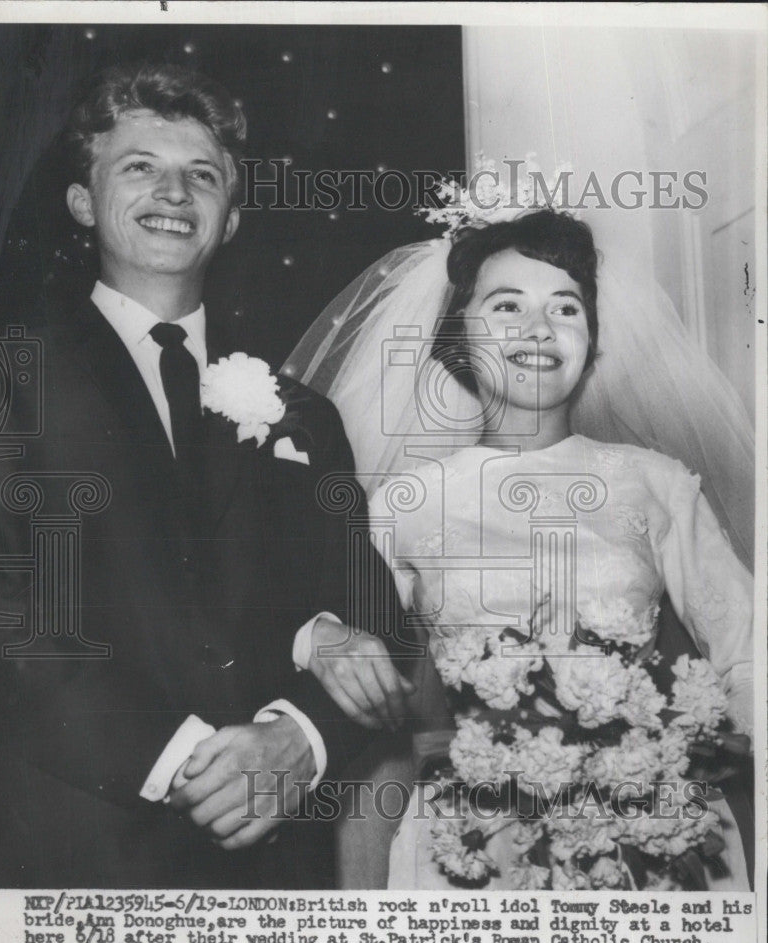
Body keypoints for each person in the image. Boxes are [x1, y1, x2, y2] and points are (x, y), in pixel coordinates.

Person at [0, 62, 412, 889]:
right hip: (74, 855)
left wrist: (299, 738)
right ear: (80, 203)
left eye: (201, 175)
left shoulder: (301, 413)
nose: (174, 192)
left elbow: (373, 617)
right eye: (140, 167)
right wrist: (183, 762)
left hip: (279, 863)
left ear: (232, 218)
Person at [286, 206, 755, 889]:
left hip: (654, 834)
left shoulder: (654, 483)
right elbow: (351, 663)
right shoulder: (401, 504)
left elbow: (748, 653)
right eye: (508, 306)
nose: (539, 330)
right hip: (469, 844)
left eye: (566, 309)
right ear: (459, 335)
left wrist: (696, 762)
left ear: (591, 341)